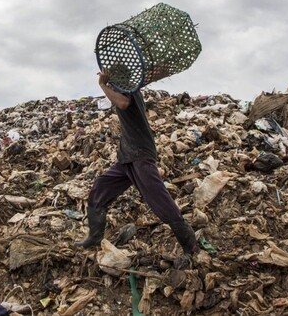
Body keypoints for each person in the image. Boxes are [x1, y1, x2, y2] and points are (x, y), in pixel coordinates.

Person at [75, 67, 199, 264]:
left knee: (159, 199)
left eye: (111, 76)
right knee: (100, 186)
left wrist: (102, 85)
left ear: (119, 79)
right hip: (127, 157)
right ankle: (95, 237)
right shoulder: (128, 88)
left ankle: (189, 245)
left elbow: (123, 104)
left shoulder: (128, 91)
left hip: (140, 155)